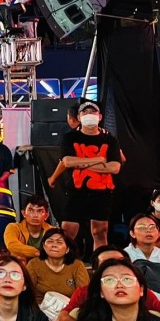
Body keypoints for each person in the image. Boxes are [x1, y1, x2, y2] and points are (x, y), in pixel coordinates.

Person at [59, 100, 121, 255]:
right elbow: (67, 161)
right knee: (67, 232)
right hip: (76, 190)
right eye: (85, 113)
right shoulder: (70, 138)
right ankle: (64, 264)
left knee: (100, 232)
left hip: (102, 192)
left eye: (92, 112)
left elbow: (115, 167)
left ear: (99, 116)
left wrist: (80, 164)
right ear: (78, 117)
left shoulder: (109, 139)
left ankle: (101, 265)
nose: (89, 115)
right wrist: (98, 160)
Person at [27, 229, 89, 307]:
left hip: (69, 310)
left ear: (67, 249)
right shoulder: (34, 264)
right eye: (50, 242)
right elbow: (26, 291)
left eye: (59, 242)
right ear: (44, 246)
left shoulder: (77, 265)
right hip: (39, 309)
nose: (54, 245)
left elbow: (83, 295)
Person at [3, 195, 59, 260]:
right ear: (23, 213)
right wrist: (37, 253)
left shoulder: (54, 231)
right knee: (19, 257)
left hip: (45, 265)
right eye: (31, 210)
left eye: (40, 211)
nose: (35, 215)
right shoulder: (13, 227)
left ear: (46, 215)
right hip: (21, 266)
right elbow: (12, 245)